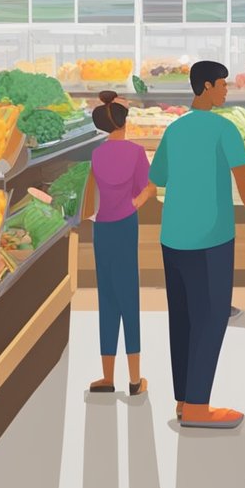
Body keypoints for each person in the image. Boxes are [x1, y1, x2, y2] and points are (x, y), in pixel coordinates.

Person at [149, 60, 245, 430]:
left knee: (183, 319)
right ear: (206, 86)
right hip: (211, 238)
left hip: (172, 237)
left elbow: (157, 178)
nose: (226, 90)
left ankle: (183, 400)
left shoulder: (174, 130)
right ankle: (197, 408)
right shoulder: (225, 129)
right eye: (222, 84)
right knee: (209, 319)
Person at [83, 92, 155, 397]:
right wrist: (134, 202)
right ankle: (135, 379)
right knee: (129, 299)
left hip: (102, 229)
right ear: (125, 122)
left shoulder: (97, 155)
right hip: (126, 226)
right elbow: (149, 188)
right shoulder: (137, 152)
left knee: (107, 299)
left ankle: (107, 377)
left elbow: (92, 193)